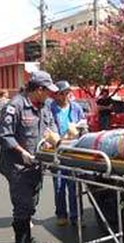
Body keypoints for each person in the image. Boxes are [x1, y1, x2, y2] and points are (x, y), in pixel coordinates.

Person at [0, 70, 58, 243]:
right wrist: (22, 152)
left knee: (32, 204)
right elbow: (4, 135)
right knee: (23, 206)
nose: (50, 95)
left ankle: (25, 240)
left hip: (36, 165)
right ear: (38, 89)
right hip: (17, 166)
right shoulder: (16, 106)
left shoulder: (44, 106)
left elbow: (51, 127)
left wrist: (54, 139)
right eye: (47, 91)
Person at [50, 80, 86, 226]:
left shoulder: (76, 107)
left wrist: (80, 129)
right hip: (57, 150)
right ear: (56, 95)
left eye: (67, 93)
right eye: (62, 93)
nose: (65, 96)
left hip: (73, 150)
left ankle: (76, 216)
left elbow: (84, 125)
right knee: (59, 185)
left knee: (74, 184)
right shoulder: (50, 108)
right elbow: (47, 128)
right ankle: (61, 214)